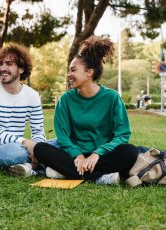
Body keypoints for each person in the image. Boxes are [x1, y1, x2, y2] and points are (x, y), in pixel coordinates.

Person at [26, 36, 138, 184]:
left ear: (89, 72)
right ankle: (101, 177)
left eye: (73, 70)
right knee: (40, 148)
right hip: (73, 156)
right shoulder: (65, 100)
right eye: (69, 71)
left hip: (103, 155)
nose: (69, 75)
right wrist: (78, 155)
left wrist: (97, 154)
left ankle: (67, 173)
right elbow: (63, 136)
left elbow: (122, 135)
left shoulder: (112, 98)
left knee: (129, 151)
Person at [0, 44, 47, 177]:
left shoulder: (32, 95)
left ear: (21, 68)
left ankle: (27, 166)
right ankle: (40, 165)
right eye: (0, 64)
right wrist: (27, 144)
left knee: (56, 143)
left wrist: (37, 148)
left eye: (8, 64)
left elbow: (38, 130)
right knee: (16, 152)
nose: (2, 68)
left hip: (19, 146)